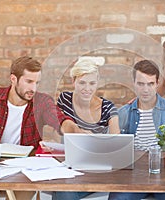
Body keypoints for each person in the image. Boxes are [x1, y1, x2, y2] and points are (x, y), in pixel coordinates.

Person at [0, 56, 80, 199]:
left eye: (37, 82)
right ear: (13, 79)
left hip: (24, 172)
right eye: (29, 82)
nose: (33, 88)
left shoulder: (41, 102)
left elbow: (61, 121)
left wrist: (74, 130)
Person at [108, 59, 165, 200]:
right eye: (140, 84)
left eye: (150, 84)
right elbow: (115, 153)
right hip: (133, 177)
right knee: (117, 198)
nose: (145, 90)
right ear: (133, 83)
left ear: (157, 83)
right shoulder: (122, 113)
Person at [52, 57, 120, 200]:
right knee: (63, 190)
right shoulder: (64, 99)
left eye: (92, 83)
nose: (87, 89)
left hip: (96, 169)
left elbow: (117, 144)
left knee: (64, 192)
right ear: (73, 81)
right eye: (82, 83)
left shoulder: (107, 107)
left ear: (97, 83)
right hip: (69, 166)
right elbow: (57, 131)